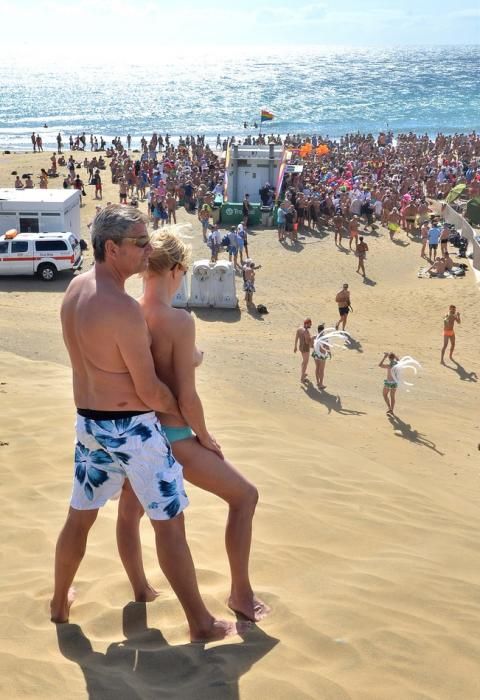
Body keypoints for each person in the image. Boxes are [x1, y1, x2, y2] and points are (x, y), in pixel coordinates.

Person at [50, 206, 239, 642]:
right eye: (140, 242)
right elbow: (150, 391)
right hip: (133, 431)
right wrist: (185, 417)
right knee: (169, 523)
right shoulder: (123, 310)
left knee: (79, 517)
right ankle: (202, 623)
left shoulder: (75, 289)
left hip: (90, 427)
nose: (147, 249)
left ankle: (59, 604)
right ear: (111, 249)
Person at [116, 232, 269, 622]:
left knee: (130, 512)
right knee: (245, 497)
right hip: (176, 436)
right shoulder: (179, 321)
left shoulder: (130, 313)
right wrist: (206, 438)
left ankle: (140, 588)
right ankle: (241, 593)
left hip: (136, 435)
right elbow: (187, 398)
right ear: (178, 270)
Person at [294, 318, 313, 383]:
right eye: (310, 324)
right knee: (305, 362)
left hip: (300, 347)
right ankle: (302, 378)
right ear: (306, 324)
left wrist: (295, 346)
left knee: (304, 361)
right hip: (305, 348)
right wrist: (311, 338)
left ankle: (303, 373)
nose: (311, 325)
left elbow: (296, 338)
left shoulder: (299, 329)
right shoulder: (306, 332)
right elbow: (307, 342)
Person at [312, 324, 330, 389]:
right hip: (322, 355)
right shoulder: (325, 338)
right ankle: (321, 384)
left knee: (317, 368)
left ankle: (317, 382)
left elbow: (311, 344)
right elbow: (327, 346)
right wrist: (329, 353)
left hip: (315, 354)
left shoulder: (314, 336)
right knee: (321, 370)